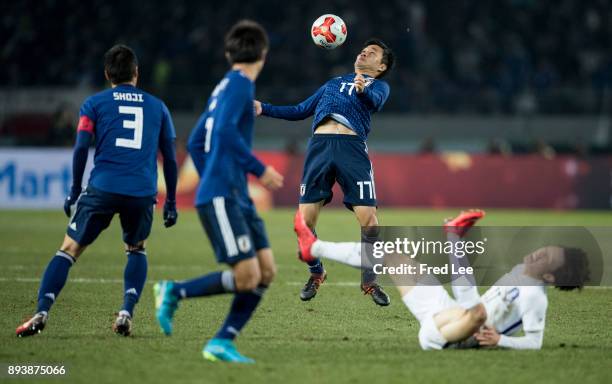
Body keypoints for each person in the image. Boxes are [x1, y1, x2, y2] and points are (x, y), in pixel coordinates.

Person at [16, 44, 179, 337]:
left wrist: (75, 190)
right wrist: (172, 201)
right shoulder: (159, 106)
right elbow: (169, 156)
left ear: (107, 74)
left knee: (68, 250)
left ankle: (41, 311)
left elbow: (81, 147)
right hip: (141, 191)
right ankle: (126, 313)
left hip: (103, 187)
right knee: (136, 248)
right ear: (136, 73)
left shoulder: (93, 103)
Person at [154, 20, 283, 364]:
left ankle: (222, 342)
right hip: (223, 194)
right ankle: (174, 291)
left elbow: (197, 140)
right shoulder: (241, 86)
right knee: (247, 275)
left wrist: (213, 168)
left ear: (229, 53)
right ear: (264, 55)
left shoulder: (225, 85)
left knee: (266, 271)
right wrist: (259, 169)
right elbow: (225, 131)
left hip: (234, 193)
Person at [293, 210, 590, 349]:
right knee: (393, 256)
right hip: (444, 312)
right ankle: (314, 247)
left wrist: (501, 340)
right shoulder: (518, 274)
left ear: (549, 276)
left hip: (457, 336)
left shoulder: (534, 297)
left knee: (478, 314)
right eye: (544, 250)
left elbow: (535, 343)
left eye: (545, 258)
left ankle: (453, 236)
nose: (537, 254)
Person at [255, 39, 395, 305]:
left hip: (351, 148)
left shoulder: (379, 86)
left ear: (381, 66)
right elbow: (300, 110)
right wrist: (264, 109)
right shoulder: (332, 83)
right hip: (319, 147)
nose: (364, 52)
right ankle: (317, 272)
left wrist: (363, 90)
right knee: (303, 223)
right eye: (364, 49)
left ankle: (369, 281)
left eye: (373, 52)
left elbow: (375, 102)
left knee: (370, 220)